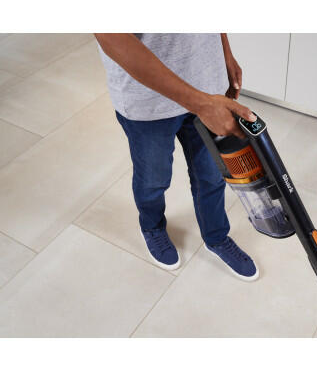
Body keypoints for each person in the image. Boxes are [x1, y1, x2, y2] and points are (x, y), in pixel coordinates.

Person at [95, 33, 258, 281]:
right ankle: (152, 226)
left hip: (207, 83)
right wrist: (203, 105)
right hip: (147, 99)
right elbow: (112, 37)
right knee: (153, 179)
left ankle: (216, 236)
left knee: (212, 175)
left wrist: (224, 51)